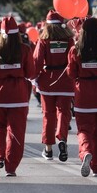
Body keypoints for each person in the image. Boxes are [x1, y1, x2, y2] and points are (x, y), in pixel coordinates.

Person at [0, 16, 35, 177]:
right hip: (18, 97)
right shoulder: (25, 49)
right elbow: (30, 73)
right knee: (16, 133)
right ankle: (11, 167)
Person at [67, 17, 97, 177]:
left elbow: (71, 73)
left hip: (84, 96)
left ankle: (86, 151)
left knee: (84, 129)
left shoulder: (76, 50)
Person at [33, 10, 76, 162]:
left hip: (47, 83)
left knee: (48, 115)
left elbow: (37, 61)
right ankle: (62, 139)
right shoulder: (69, 40)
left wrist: (34, 78)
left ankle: (48, 149)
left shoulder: (43, 40)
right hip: (65, 82)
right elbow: (73, 60)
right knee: (64, 113)